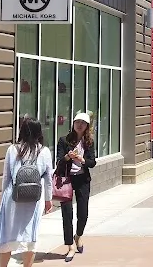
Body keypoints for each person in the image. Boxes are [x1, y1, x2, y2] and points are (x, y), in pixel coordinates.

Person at [0, 117, 54, 267]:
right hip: (34, 200)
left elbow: (6, 177)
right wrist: (48, 199)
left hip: (13, 197)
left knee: (7, 236)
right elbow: (48, 178)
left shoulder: (12, 150)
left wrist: (3, 199)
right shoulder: (44, 151)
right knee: (30, 236)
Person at [56, 111, 97, 262]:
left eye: (83, 123)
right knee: (67, 214)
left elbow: (92, 162)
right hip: (67, 180)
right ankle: (70, 246)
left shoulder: (89, 142)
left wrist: (82, 159)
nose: (79, 125)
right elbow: (59, 162)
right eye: (77, 122)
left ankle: (78, 236)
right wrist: (68, 157)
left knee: (83, 214)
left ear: (86, 127)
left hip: (82, 179)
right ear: (73, 124)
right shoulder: (64, 140)